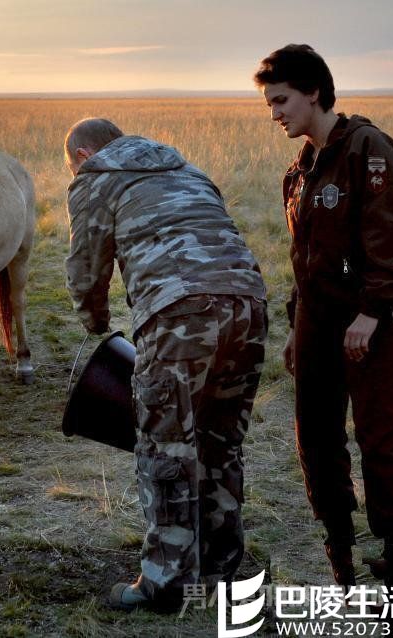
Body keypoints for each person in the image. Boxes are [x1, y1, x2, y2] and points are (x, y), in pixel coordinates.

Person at [64, 117, 268, 612]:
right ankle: (220, 571)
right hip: (248, 305)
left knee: (165, 446)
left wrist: (95, 320)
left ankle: (167, 583)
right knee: (221, 440)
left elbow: (86, 269)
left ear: (84, 155)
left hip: (180, 314)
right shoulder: (187, 169)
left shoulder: (95, 178)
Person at [253, 44, 393, 588]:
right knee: (317, 437)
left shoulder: (367, 149)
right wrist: (296, 323)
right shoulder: (299, 169)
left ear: (314, 92)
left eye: (281, 100)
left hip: (373, 321)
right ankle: (342, 557)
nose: (275, 113)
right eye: (269, 104)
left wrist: (372, 313)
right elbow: (306, 258)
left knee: (380, 436)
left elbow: (392, 240)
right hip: (318, 320)